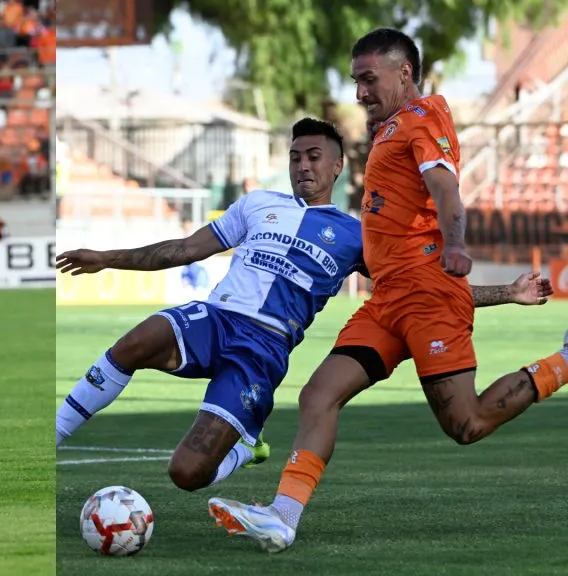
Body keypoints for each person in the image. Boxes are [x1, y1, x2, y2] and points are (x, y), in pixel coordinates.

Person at [55, 118, 553, 498]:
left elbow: (424, 294)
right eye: (295, 157)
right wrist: (106, 259)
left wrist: (507, 292)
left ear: (337, 166)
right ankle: (53, 436)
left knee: (186, 474)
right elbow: (185, 250)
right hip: (217, 318)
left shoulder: (360, 236)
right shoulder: (255, 205)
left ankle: (245, 446)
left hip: (263, 351)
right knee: (136, 341)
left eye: (314, 156)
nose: (302, 166)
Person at [207, 27, 561, 554]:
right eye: (355, 81)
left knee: (466, 424)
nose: (360, 93)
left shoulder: (424, 120)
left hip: (426, 298)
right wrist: (507, 291)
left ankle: (565, 361)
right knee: (319, 395)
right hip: (389, 300)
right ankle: (282, 517)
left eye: (369, 80)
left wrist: (457, 245)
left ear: (405, 73)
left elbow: (446, 191)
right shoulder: (391, 127)